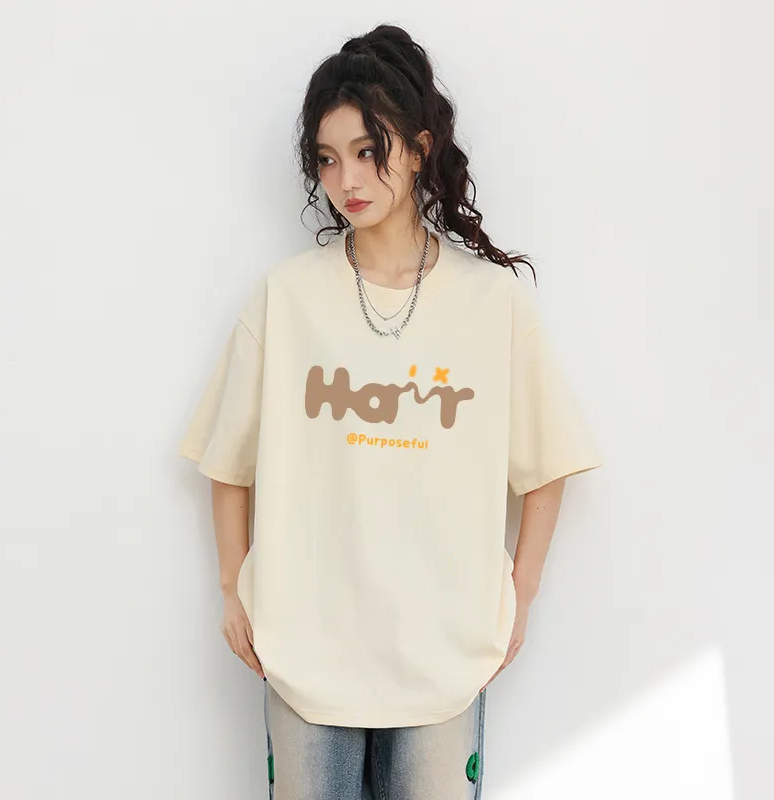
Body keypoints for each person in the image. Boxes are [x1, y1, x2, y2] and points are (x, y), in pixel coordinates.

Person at [178, 23, 603, 800]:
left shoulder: (490, 303)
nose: (346, 179)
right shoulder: (287, 298)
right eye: (327, 158)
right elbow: (228, 462)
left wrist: (520, 594)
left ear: (418, 147)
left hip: (442, 657)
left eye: (368, 151)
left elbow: (549, 464)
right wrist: (232, 589)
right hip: (305, 652)